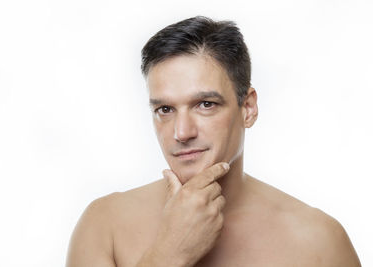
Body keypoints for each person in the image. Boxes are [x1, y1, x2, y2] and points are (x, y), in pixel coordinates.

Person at [66, 16, 361, 267]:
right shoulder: (105, 225)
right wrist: (168, 253)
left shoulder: (319, 242)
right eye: (165, 110)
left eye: (205, 104)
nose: (182, 132)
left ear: (248, 108)